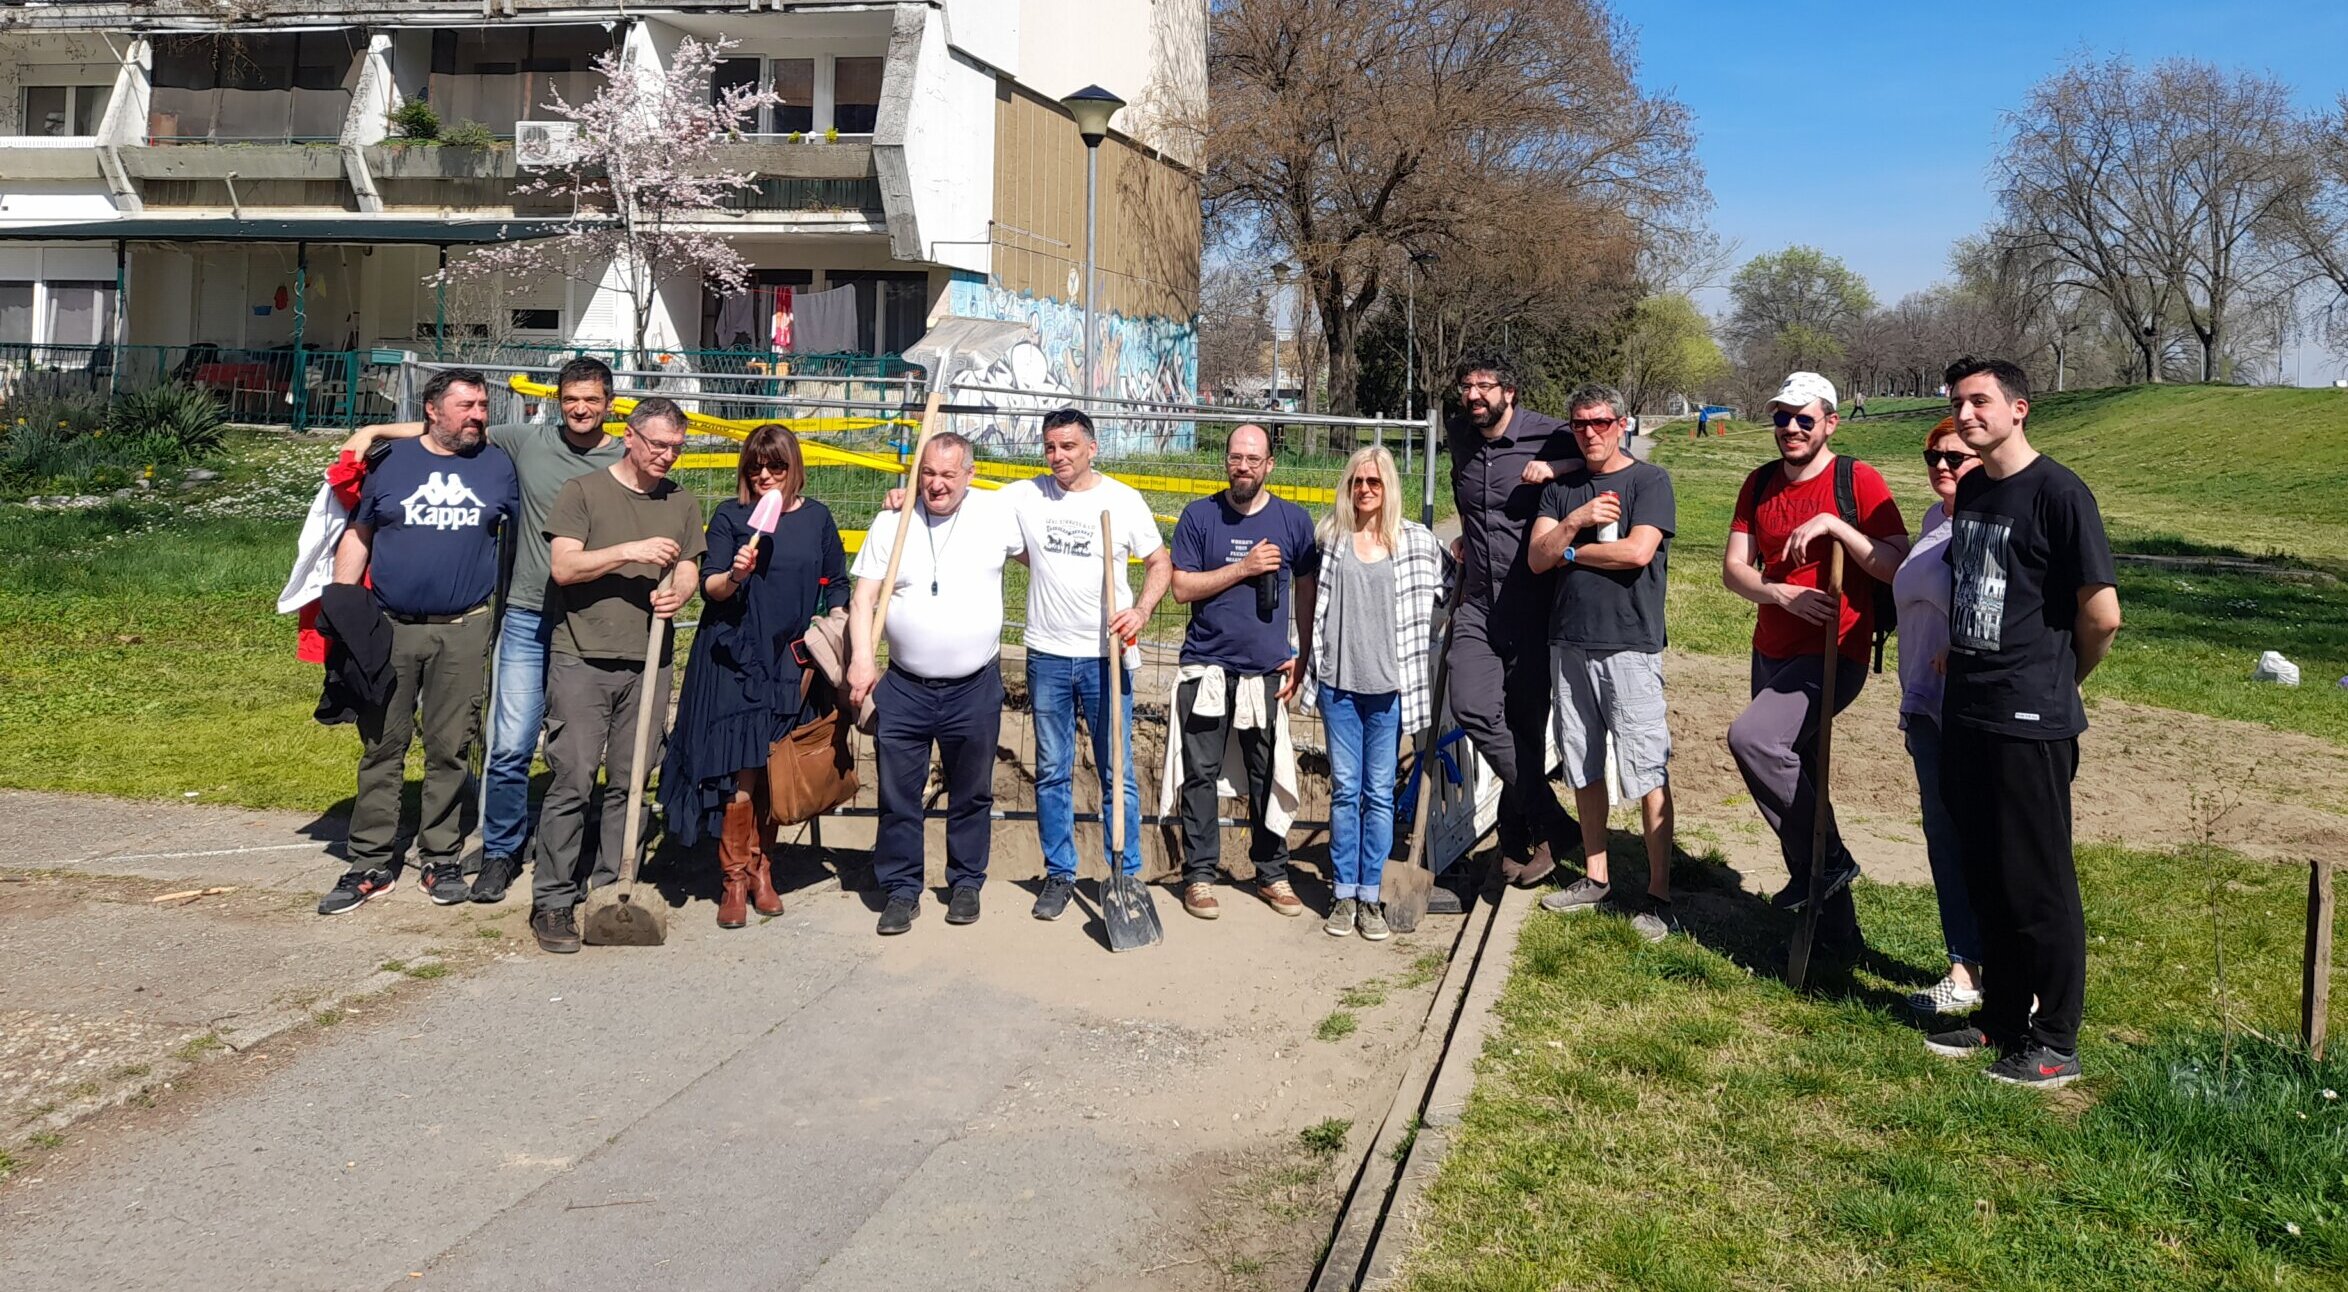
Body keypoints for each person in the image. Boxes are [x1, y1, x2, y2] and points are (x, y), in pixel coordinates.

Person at [343, 356, 625, 903]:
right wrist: (373, 429)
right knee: (509, 745)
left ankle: (572, 849)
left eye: (592, 399)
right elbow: (450, 427)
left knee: (578, 748)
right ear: (557, 402)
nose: (581, 409)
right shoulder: (526, 442)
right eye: (571, 399)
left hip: (593, 619)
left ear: (609, 404)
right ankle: (500, 850)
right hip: (525, 614)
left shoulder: (625, 455)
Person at [1923, 357, 2120, 1089]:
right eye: (1957, 402)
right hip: (1968, 709)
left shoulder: (2061, 494)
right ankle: (2002, 1018)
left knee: (2038, 883)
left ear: (2019, 409)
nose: (1966, 414)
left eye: (1980, 401)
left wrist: (2058, 679)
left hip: (2030, 717)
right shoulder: (1974, 487)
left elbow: (2102, 616)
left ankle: (2056, 1040)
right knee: (1986, 873)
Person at [318, 369, 518, 915]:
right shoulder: (390, 463)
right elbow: (360, 532)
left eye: (482, 405)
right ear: (432, 409)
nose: (478, 414)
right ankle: (369, 861)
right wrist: (342, 608)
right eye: (466, 405)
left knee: (449, 746)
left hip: (464, 626)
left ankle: (440, 855)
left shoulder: (498, 465)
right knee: (383, 744)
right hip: (390, 626)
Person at [1721, 372, 1907, 961]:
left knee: (1754, 740)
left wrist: (1835, 525)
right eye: (1782, 418)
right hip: (1771, 648)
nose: (1791, 428)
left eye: (1804, 418)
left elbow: (1897, 564)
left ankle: (1828, 862)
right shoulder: (1759, 483)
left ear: (1830, 422)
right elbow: (1735, 570)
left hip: (1836, 649)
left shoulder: (1857, 480)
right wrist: (1779, 594)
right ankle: (1836, 935)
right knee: (1795, 781)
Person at [527, 398, 705, 954]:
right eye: (659, 445)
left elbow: (690, 565)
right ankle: (554, 899)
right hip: (582, 657)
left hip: (648, 660)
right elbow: (564, 567)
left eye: (677, 447)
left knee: (631, 782)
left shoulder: (681, 501)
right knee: (573, 779)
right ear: (629, 437)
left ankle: (611, 891)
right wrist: (630, 550)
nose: (668, 456)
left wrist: (681, 591)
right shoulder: (583, 492)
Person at [660, 425, 849, 929]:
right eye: (755, 466)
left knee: (773, 767)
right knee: (740, 768)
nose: (765, 475)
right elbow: (711, 588)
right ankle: (734, 879)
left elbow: (836, 581)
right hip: (734, 657)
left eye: (776, 466)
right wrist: (737, 573)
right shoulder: (731, 515)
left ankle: (765, 869)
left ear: (793, 468)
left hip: (790, 661)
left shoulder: (816, 518)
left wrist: (838, 623)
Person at [846, 432, 1026, 935]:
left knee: (971, 791)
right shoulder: (893, 521)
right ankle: (901, 890)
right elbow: (863, 599)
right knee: (897, 794)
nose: (937, 484)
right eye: (927, 473)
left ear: (970, 474)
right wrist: (862, 659)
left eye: (948, 474)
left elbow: (1048, 556)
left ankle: (966, 882)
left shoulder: (995, 515)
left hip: (974, 686)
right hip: (904, 686)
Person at [1002, 408, 1175, 923]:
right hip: (1048, 654)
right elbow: (960, 499)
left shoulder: (1121, 500)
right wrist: (900, 496)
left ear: (1092, 448)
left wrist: (1140, 611)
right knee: (1052, 770)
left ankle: (1125, 872)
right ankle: (1060, 873)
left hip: (1106, 656)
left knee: (1117, 769)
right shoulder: (1026, 495)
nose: (1057, 456)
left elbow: (1159, 563)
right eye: (1050, 447)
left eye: (1068, 447)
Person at [1524, 385, 1679, 941]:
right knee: (1582, 762)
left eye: (1601, 422)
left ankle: (1659, 895)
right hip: (1568, 642)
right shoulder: (1561, 491)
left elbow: (1637, 551)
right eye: (1580, 423)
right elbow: (1536, 558)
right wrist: (1576, 521)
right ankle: (1596, 877)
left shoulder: (1649, 481)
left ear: (1622, 424)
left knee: (1646, 767)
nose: (1590, 432)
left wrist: (1570, 551)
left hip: (1629, 645)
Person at [1163, 424, 1319, 919]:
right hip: (1205, 668)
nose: (1243, 466)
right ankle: (1199, 876)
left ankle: (1272, 873)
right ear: (1226, 461)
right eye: (1236, 457)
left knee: (1266, 773)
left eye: (1253, 459)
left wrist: (1304, 655)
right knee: (1200, 775)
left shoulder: (1293, 520)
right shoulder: (1200, 516)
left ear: (1270, 464)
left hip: (1265, 672)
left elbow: (1307, 592)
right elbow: (1181, 588)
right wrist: (1244, 568)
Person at [1446, 353, 1579, 889]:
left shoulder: (1551, 435)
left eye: (1486, 385)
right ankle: (1554, 823)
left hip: (1533, 606)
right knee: (1473, 706)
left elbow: (1604, 461)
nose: (1474, 394)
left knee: (1523, 727)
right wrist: (1467, 535)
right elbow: (1469, 500)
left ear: (1510, 391)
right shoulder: (1460, 434)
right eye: (1467, 385)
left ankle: (1515, 838)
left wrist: (1556, 469)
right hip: (1479, 603)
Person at [1300, 447, 1442, 940]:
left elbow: (1451, 583)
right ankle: (1343, 893)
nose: (1364, 490)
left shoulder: (1416, 542)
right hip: (1338, 685)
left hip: (1389, 689)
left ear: (1389, 488)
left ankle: (1370, 894)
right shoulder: (1331, 538)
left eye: (1374, 483)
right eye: (1358, 481)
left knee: (1379, 794)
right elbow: (1309, 602)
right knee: (1346, 791)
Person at [1894, 418, 1987, 1014]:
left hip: (1971, 704)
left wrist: (1965, 642)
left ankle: (2012, 974)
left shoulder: (1989, 522)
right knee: (1944, 835)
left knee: (1982, 836)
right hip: (1925, 698)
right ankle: (1965, 969)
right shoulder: (1935, 521)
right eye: (1934, 457)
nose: (1944, 467)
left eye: (1957, 457)